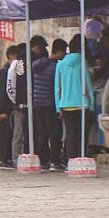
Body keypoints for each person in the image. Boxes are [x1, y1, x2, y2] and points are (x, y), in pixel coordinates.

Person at [55, 34, 92, 160]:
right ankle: (82, 158)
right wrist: (91, 103)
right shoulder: (83, 62)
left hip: (66, 105)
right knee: (83, 134)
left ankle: (71, 160)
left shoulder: (60, 65)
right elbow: (88, 85)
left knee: (70, 134)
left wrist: (58, 108)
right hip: (82, 104)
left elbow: (57, 88)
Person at [25, 35, 60, 170]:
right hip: (49, 102)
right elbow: (55, 85)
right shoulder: (53, 67)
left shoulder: (34, 66)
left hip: (37, 102)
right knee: (53, 132)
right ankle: (54, 159)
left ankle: (42, 159)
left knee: (42, 132)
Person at [0, 43, 21, 167]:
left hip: (12, 108)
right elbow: (0, 93)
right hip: (6, 109)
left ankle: (7, 157)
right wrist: (2, 110)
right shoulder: (4, 72)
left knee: (11, 133)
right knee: (5, 134)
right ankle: (3, 158)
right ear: (10, 56)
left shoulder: (13, 70)